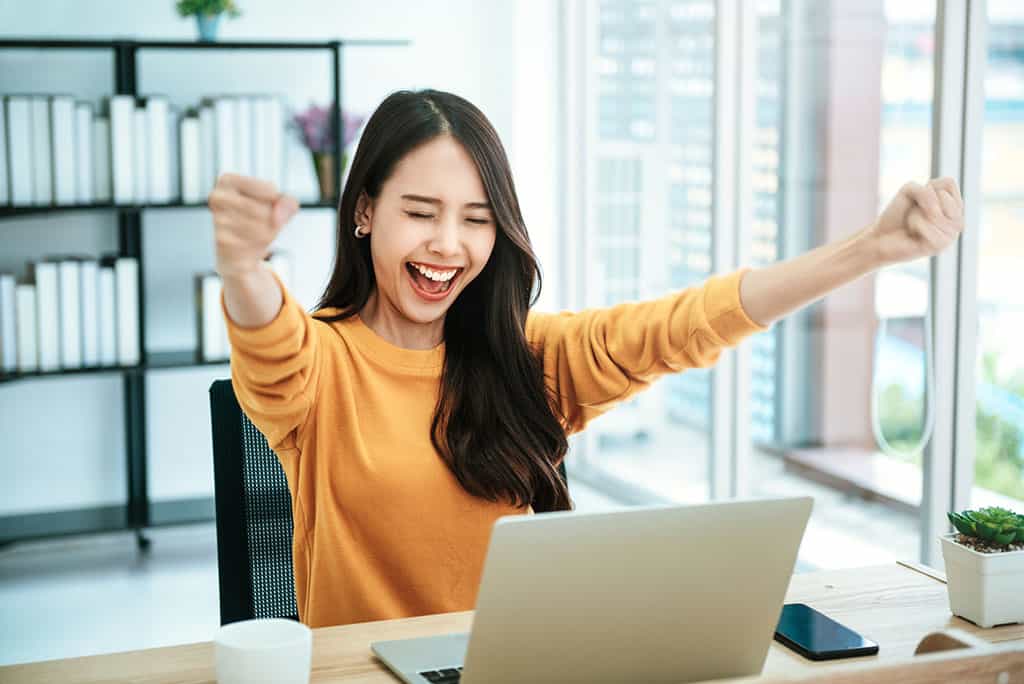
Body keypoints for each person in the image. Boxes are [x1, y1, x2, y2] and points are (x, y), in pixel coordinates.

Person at [209, 89, 964, 629]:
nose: (448, 244)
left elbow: (688, 324)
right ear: (365, 211)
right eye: (420, 212)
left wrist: (873, 249)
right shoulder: (321, 367)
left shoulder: (529, 360)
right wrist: (244, 267)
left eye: (476, 220)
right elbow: (270, 345)